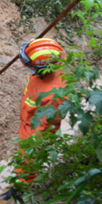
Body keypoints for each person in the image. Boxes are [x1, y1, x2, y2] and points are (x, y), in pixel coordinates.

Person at [15, 38, 67, 182]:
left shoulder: (53, 95)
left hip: (34, 131)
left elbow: (43, 129)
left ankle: (22, 189)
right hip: (28, 121)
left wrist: (30, 145)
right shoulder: (45, 71)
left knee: (28, 162)